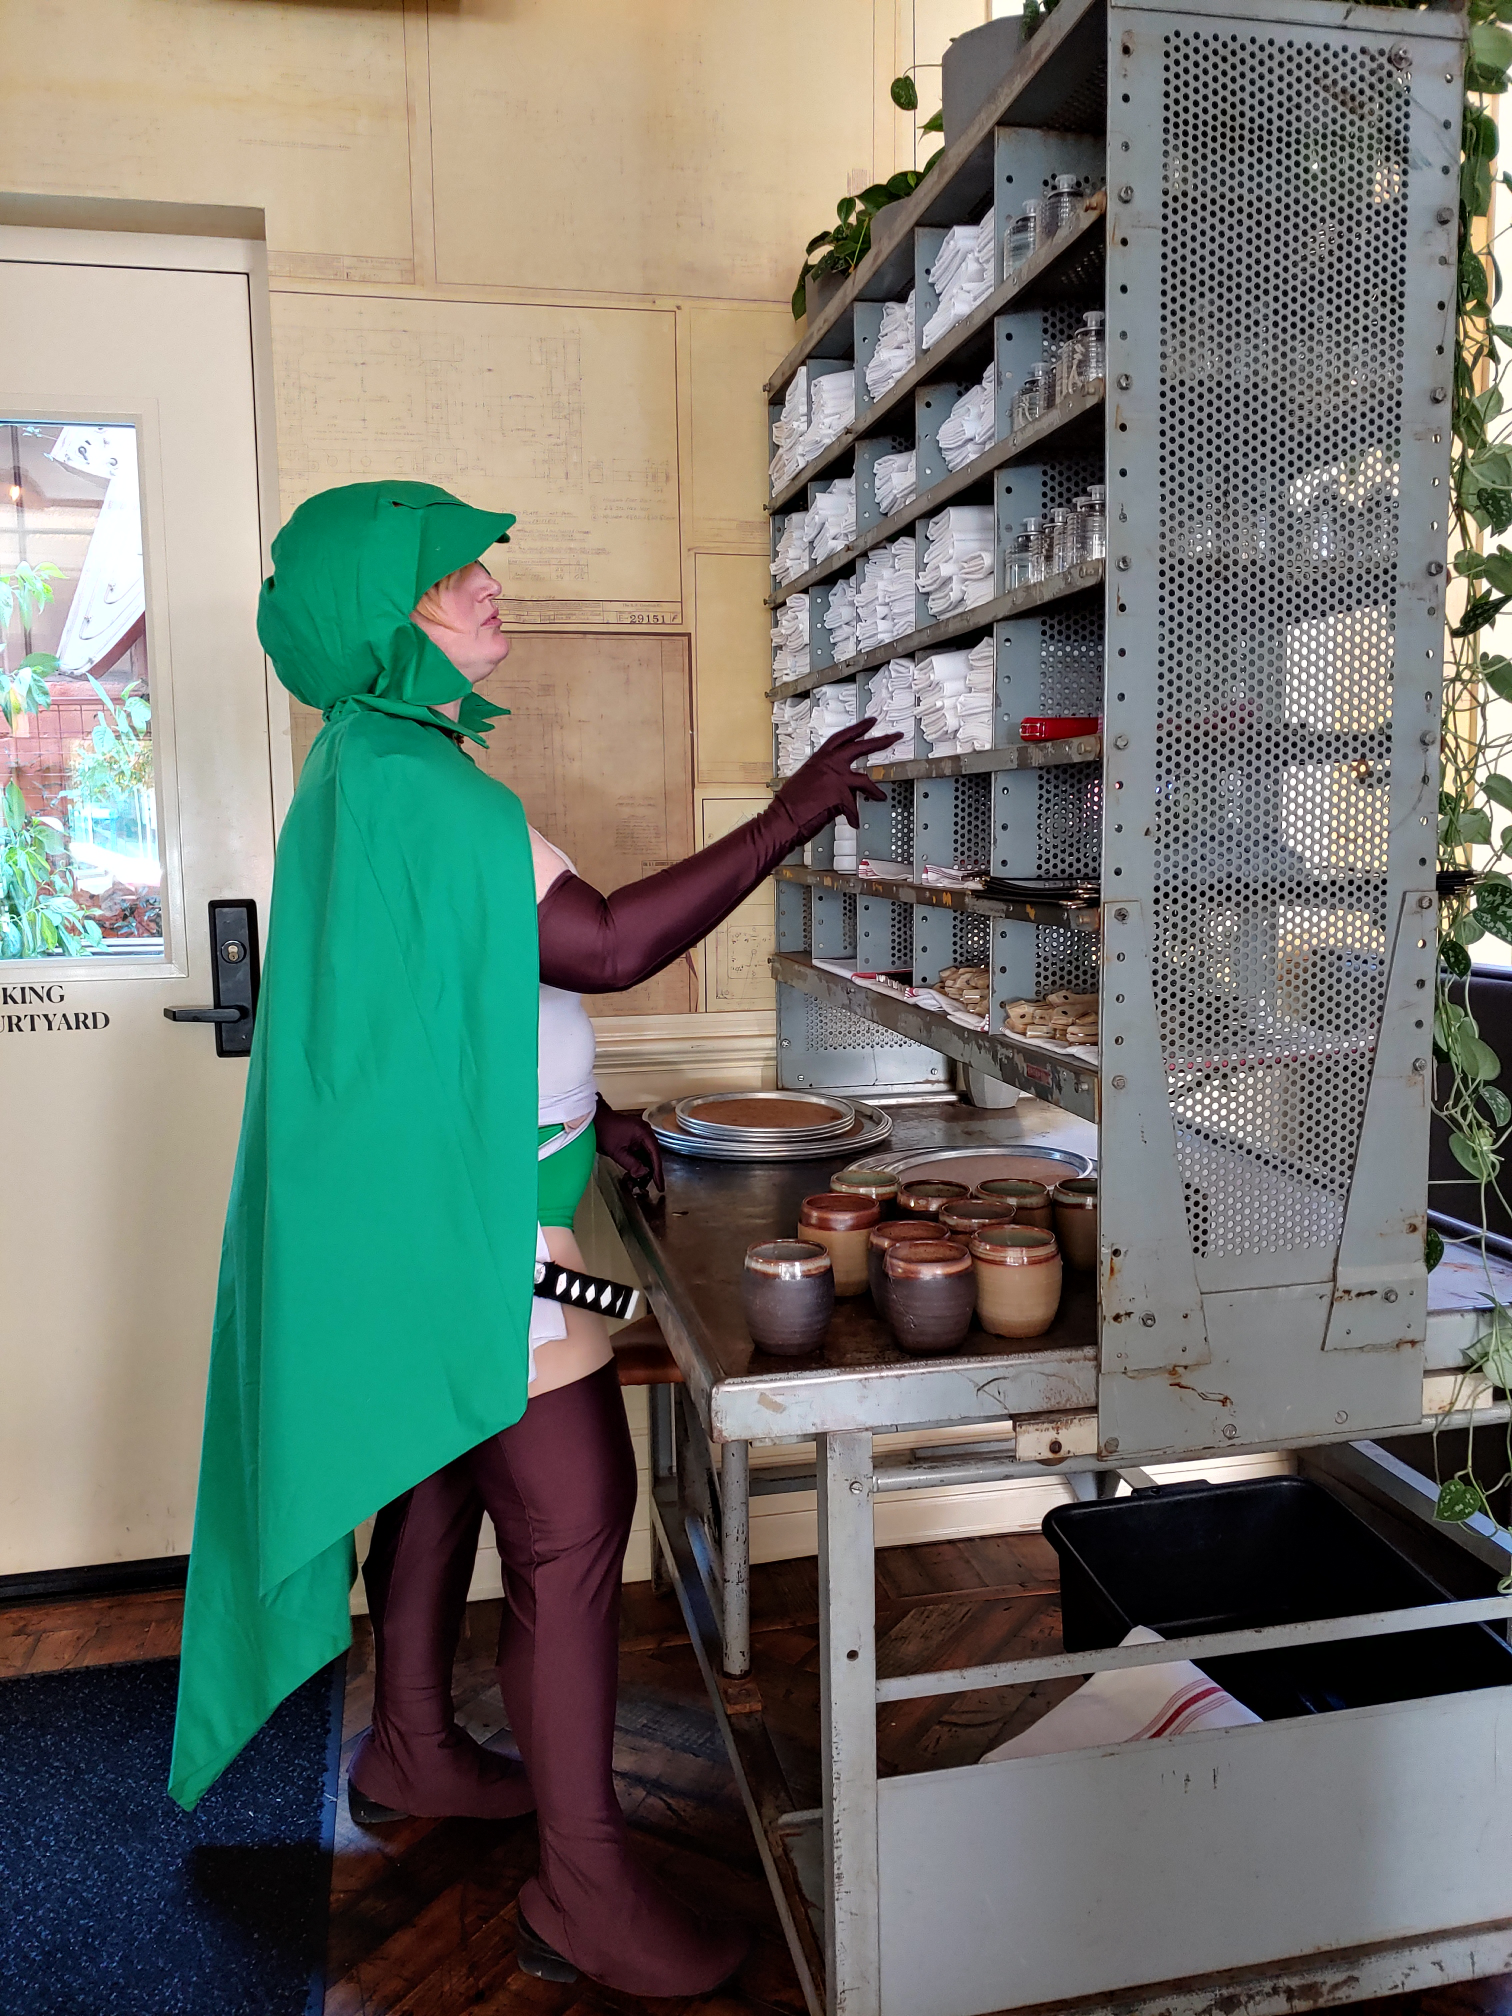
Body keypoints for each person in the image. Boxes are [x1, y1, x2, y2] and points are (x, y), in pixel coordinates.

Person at [169, 479, 896, 1996]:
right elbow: (610, 944)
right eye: (451, 573)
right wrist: (791, 814)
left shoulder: (372, 770)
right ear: (387, 620)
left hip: (438, 1202)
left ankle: (418, 1751)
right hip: (470, 1231)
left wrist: (593, 1112)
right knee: (570, 1523)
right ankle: (582, 1892)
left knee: (434, 1478)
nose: (490, 581)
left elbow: (459, 1003)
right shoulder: (430, 793)